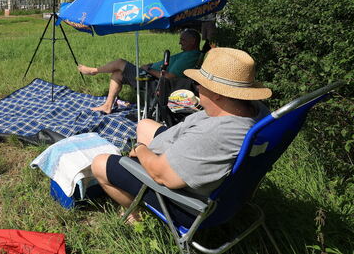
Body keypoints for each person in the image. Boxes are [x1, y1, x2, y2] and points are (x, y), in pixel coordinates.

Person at [90, 47, 271, 222]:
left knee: (100, 163)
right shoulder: (257, 110)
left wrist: (140, 149)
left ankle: (136, 214)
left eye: (199, 83)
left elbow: (162, 175)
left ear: (217, 94)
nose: (197, 87)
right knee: (144, 125)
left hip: (187, 203)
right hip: (202, 167)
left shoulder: (212, 135)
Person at [76, 29, 202, 113]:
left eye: (183, 40)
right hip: (152, 76)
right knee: (118, 73)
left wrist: (149, 69)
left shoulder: (190, 56)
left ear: (193, 41)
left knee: (120, 63)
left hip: (154, 82)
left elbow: (169, 76)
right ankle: (107, 106)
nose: (180, 42)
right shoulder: (189, 54)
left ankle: (93, 70)